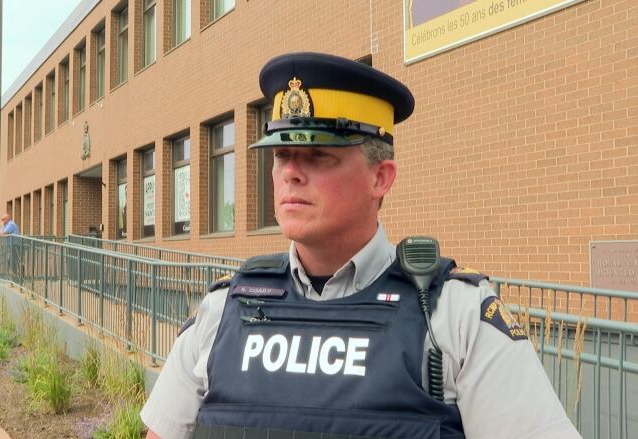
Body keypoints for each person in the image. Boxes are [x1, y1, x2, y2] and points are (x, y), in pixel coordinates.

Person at [140, 52, 581, 439]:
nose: (290, 173)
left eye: (318, 155)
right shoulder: (222, 310)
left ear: (380, 177)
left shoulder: (456, 316)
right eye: (281, 155)